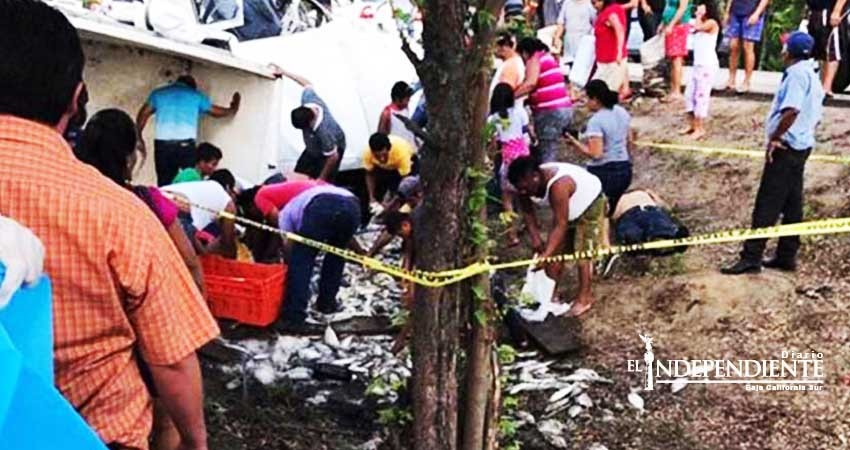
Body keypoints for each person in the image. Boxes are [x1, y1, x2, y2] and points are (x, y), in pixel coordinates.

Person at [0, 2, 220, 449]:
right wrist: (196, 442)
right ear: (76, 98)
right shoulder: (122, 213)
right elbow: (173, 362)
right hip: (93, 433)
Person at [722, 32, 824, 275]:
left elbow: (791, 110)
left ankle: (751, 257)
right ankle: (787, 255)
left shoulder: (797, 75)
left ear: (790, 52)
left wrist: (776, 137)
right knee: (792, 203)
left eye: (784, 47)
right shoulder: (812, 72)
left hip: (787, 147)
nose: (782, 51)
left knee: (767, 203)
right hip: (802, 145)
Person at [75, 108, 206, 296]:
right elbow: (190, 262)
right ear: (129, 158)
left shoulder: (66, 196)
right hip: (133, 306)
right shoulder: (149, 201)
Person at [508, 157, 606, 317]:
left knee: (583, 252)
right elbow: (527, 212)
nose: (523, 192)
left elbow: (560, 224)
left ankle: (584, 298)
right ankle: (550, 295)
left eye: (525, 188)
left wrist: (546, 254)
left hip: (589, 203)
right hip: (566, 208)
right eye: (520, 189)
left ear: (535, 177)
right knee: (555, 252)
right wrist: (536, 239)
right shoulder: (524, 186)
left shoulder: (558, 185)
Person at [277, 185, 362, 330]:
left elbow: (289, 248)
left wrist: (290, 268)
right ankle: (327, 304)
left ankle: (294, 316)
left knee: (302, 259)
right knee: (336, 256)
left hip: (321, 207)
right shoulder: (302, 199)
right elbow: (347, 239)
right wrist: (360, 252)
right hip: (352, 206)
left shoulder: (285, 214)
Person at [136, 75, 240, 186]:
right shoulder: (196, 95)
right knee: (190, 182)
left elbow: (143, 114)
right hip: (186, 145)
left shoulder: (158, 93)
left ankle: (164, 202)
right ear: (192, 86)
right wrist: (232, 109)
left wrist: (139, 136)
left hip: (162, 144)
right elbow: (215, 112)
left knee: (164, 183)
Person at [564, 80, 634, 212]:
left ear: (595, 99)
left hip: (605, 171)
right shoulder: (621, 112)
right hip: (624, 167)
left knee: (601, 212)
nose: (585, 102)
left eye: (587, 98)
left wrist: (575, 143)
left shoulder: (596, 121)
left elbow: (596, 154)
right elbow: (630, 139)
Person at [277, 68, 347, 181]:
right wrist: (284, 72)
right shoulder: (308, 100)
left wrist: (321, 178)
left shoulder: (325, 131)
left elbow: (333, 157)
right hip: (312, 147)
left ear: (309, 123)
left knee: (322, 180)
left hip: (331, 150)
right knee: (298, 174)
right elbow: (306, 83)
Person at [515, 38, 575, 163]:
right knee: (549, 147)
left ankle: (547, 177)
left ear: (525, 52)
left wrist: (510, 96)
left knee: (547, 152)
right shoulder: (547, 57)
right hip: (564, 108)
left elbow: (531, 83)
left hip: (549, 111)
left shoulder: (534, 59)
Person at [489, 83, 534, 246]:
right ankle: (531, 230)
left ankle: (512, 235)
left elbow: (494, 143)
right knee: (525, 197)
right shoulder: (520, 113)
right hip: (524, 158)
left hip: (508, 160)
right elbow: (527, 132)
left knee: (507, 200)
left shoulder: (493, 119)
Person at [161, 171, 239, 259]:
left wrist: (205, 252)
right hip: (177, 211)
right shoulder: (228, 203)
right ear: (228, 188)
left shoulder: (203, 188)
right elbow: (228, 243)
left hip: (154, 199)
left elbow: (192, 237)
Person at [680, 0, 721, 140]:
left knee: (701, 96)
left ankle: (700, 127)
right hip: (697, 65)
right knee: (689, 94)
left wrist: (698, 16)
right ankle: (691, 124)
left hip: (707, 65)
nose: (698, 8)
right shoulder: (699, 23)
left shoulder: (711, 23)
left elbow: (698, 26)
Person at [364, 133, 419, 216]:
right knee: (391, 191)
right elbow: (369, 174)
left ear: (388, 149)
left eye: (384, 155)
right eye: (377, 156)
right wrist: (371, 198)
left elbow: (406, 184)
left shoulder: (401, 152)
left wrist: (390, 204)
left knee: (406, 195)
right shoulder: (367, 154)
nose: (382, 159)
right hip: (388, 169)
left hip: (407, 168)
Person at [724, 0, 770, 93]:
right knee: (733, 45)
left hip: (752, 11)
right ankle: (731, 79)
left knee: (748, 46)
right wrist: (727, 11)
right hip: (736, 11)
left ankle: (747, 81)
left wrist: (757, 13)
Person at [807, 0, 849, 97]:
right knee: (819, 49)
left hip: (831, 10)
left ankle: (827, 86)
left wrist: (837, 10)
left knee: (832, 48)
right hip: (816, 10)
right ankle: (821, 84)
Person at [592, 0, 629, 100]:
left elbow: (619, 30)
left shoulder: (610, 13)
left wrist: (619, 50)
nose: (594, 6)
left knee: (607, 89)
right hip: (604, 57)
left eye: (595, 3)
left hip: (611, 58)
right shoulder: (606, 12)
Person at [659, 0, 693, 101]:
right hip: (670, 24)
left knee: (677, 58)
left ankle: (677, 90)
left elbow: (682, 8)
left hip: (679, 25)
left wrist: (671, 24)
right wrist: (663, 23)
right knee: (672, 58)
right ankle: (673, 88)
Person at [552, 0, 597, 66]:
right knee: (569, 66)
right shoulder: (567, 3)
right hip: (569, 43)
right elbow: (561, 22)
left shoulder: (590, 4)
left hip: (584, 43)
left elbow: (595, 22)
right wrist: (557, 37)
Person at [378, 81, 418, 148]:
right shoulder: (387, 113)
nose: (409, 100)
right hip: (398, 153)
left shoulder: (406, 109)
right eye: (406, 98)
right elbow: (381, 137)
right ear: (397, 98)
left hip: (412, 150)